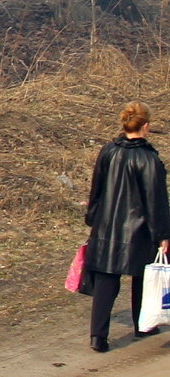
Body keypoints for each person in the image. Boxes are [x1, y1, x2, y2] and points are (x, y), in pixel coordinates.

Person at [84, 101, 170, 353]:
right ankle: (143, 325)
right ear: (146, 126)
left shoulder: (108, 151)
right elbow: (156, 202)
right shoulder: (149, 159)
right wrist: (163, 235)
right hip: (138, 231)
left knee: (106, 281)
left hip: (107, 227)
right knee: (144, 276)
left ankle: (97, 337)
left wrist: (92, 218)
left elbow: (96, 188)